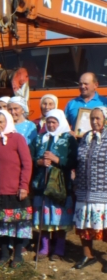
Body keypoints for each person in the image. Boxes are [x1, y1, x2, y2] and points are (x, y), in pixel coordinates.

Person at [0, 110, 33, 267]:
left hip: (15, 191)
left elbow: (27, 163)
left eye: (1, 122)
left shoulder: (17, 138)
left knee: (18, 225)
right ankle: (4, 255)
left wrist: (23, 185)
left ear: (8, 122)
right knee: (1, 226)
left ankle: (17, 256)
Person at [31, 109, 76, 261]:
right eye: (48, 122)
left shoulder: (68, 139)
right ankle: (44, 247)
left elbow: (74, 161)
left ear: (60, 122)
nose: (50, 125)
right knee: (43, 218)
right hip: (41, 185)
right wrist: (39, 162)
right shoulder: (39, 139)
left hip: (60, 185)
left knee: (59, 219)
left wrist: (57, 160)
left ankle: (59, 249)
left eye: (54, 122)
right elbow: (30, 157)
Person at [72, 106, 107, 270]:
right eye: (92, 118)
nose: (94, 121)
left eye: (98, 118)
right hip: (83, 190)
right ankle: (88, 255)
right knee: (83, 225)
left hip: (103, 191)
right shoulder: (86, 137)